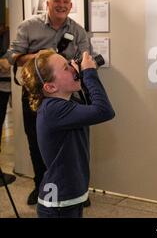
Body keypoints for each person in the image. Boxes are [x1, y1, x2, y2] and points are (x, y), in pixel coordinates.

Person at [7, 0, 90, 205]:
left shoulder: (78, 31)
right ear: (47, 4)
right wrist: (43, 57)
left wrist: (77, 65)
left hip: (66, 96)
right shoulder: (28, 26)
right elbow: (13, 56)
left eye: (66, 2)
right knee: (37, 143)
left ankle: (77, 190)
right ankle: (41, 187)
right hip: (35, 94)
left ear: (71, 6)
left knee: (73, 144)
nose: (61, 5)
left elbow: (88, 57)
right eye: (57, 1)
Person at [20, 49, 115, 218]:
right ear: (50, 87)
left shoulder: (67, 104)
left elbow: (93, 108)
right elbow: (104, 111)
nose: (73, 67)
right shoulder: (53, 110)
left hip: (69, 198)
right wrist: (89, 73)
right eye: (66, 67)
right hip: (58, 204)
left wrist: (84, 76)